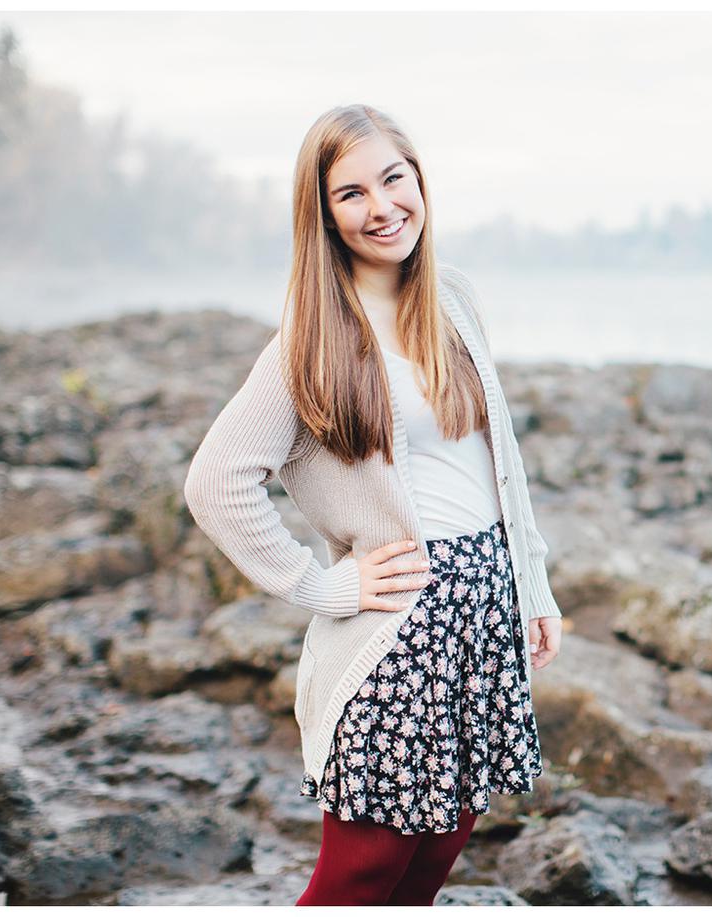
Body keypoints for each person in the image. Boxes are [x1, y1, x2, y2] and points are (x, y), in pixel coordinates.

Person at [181, 103, 563, 906]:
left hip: (485, 604)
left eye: (394, 178)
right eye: (351, 192)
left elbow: (497, 460)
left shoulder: (453, 298)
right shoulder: (309, 340)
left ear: (419, 178)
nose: (383, 206)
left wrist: (533, 584)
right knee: (365, 866)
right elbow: (215, 480)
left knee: (442, 842)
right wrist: (320, 585)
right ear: (323, 213)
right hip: (397, 622)